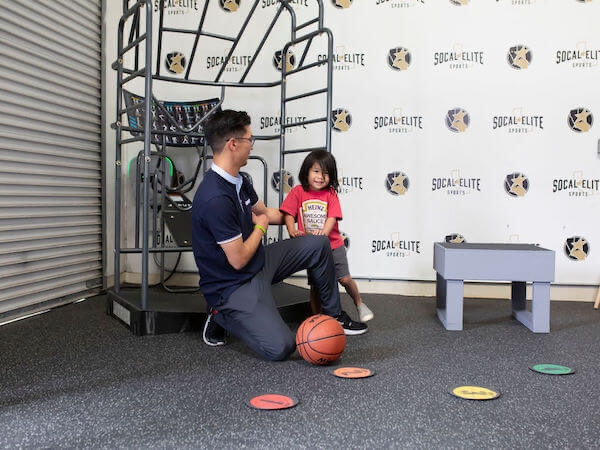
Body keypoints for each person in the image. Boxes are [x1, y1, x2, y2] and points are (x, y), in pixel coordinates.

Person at [191, 109, 367, 362]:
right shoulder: (216, 197)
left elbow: (265, 213)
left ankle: (333, 315)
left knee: (317, 244)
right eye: (249, 140)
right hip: (232, 284)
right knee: (280, 347)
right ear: (233, 144)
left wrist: (295, 219)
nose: (252, 146)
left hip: (259, 262)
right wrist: (261, 226)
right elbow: (239, 259)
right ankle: (221, 314)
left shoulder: (239, 180)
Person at [280, 150, 374, 323]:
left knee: (344, 279)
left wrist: (323, 234)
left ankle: (359, 303)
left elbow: (332, 217)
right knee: (316, 285)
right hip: (313, 249)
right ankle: (317, 319)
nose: (320, 177)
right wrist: (291, 229)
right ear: (306, 171)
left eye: (326, 173)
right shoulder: (298, 192)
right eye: (316, 171)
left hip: (333, 245)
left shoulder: (330, 193)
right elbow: (288, 212)